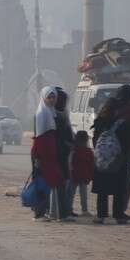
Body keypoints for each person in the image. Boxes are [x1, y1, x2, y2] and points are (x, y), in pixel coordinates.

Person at [91, 84, 130, 225]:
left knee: (103, 184)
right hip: (123, 152)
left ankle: (101, 215)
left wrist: (98, 150)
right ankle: (118, 215)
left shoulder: (106, 108)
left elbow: (96, 131)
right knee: (120, 184)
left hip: (102, 153)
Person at [31, 86, 66, 221]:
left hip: (50, 153)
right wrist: (39, 158)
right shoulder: (41, 113)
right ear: (44, 98)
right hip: (42, 153)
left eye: (53, 97)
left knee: (52, 182)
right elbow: (39, 138)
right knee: (42, 183)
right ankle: (39, 213)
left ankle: (51, 212)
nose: (52, 100)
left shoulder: (52, 112)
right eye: (49, 97)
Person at [53, 87, 76, 221]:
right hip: (58, 154)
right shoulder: (53, 115)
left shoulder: (62, 114)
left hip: (65, 154)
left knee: (66, 184)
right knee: (60, 184)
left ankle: (65, 209)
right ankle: (61, 211)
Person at [67, 130, 94, 217]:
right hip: (84, 175)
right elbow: (92, 164)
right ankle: (84, 210)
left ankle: (69, 208)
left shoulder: (73, 150)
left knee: (71, 193)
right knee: (83, 194)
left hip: (74, 174)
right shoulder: (89, 151)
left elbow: (70, 162)